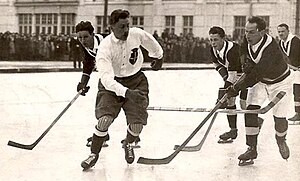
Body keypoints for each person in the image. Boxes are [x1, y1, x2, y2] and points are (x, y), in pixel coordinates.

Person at [81, 9, 164, 170]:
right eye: (121, 27)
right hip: (111, 86)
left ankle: (128, 143)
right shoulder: (105, 48)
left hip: (137, 81)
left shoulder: (136, 34)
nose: (126, 30)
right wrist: (127, 93)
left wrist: (158, 58)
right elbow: (106, 80)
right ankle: (93, 154)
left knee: (137, 126)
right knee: (104, 120)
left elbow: (153, 45)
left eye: (127, 25)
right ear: (111, 27)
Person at [227, 16, 293, 166]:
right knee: (250, 111)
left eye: (251, 32)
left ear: (262, 32)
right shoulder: (248, 38)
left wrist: (236, 88)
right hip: (262, 82)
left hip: (280, 83)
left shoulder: (271, 48)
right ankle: (252, 148)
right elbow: (243, 47)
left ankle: (281, 140)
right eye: (246, 31)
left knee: (280, 119)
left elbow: (256, 75)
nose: (247, 35)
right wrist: (245, 62)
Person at [208, 26, 247, 143]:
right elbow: (217, 65)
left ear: (223, 39)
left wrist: (224, 93)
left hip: (247, 75)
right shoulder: (213, 49)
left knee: (244, 104)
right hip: (234, 74)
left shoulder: (232, 50)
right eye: (211, 40)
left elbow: (234, 75)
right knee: (230, 101)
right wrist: (226, 86)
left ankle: (256, 122)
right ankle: (233, 130)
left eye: (216, 40)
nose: (213, 43)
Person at [75, 21, 110, 147]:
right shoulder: (86, 46)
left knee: (128, 104)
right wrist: (83, 83)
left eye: (85, 37)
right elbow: (88, 63)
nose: (82, 41)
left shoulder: (106, 41)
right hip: (108, 76)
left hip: (124, 74)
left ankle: (133, 135)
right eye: (79, 37)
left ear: (92, 34)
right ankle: (103, 135)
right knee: (102, 105)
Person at [277, 23, 300, 122]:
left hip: (298, 69)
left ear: (288, 31)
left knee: (297, 91)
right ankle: (298, 113)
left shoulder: (296, 41)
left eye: (283, 31)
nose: (281, 33)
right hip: (293, 71)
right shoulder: (281, 43)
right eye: (279, 32)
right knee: (296, 92)